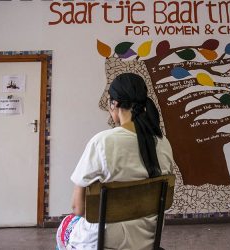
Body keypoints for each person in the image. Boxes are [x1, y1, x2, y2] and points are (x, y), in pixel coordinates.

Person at [56, 73, 175, 250]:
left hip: (102, 243)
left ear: (114, 104)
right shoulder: (163, 143)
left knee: (66, 225)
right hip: (146, 242)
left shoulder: (102, 141)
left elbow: (78, 208)